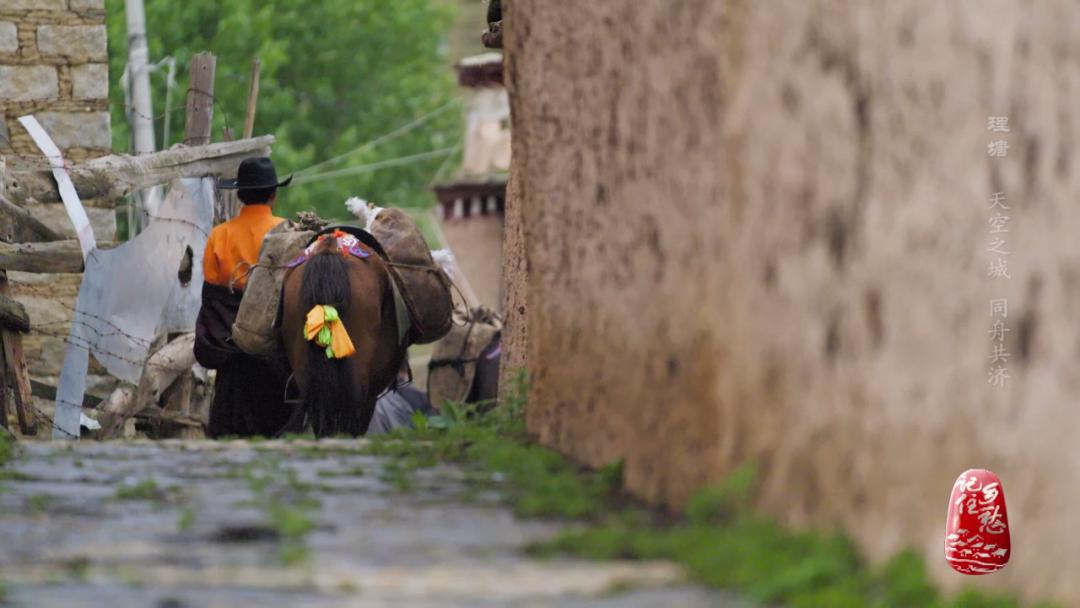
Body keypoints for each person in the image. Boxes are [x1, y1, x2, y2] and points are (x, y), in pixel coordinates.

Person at [194, 157, 293, 438]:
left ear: (239, 195)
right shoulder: (288, 233)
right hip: (276, 359)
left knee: (229, 435)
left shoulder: (220, 235)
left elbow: (214, 299)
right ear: (273, 195)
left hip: (232, 355)